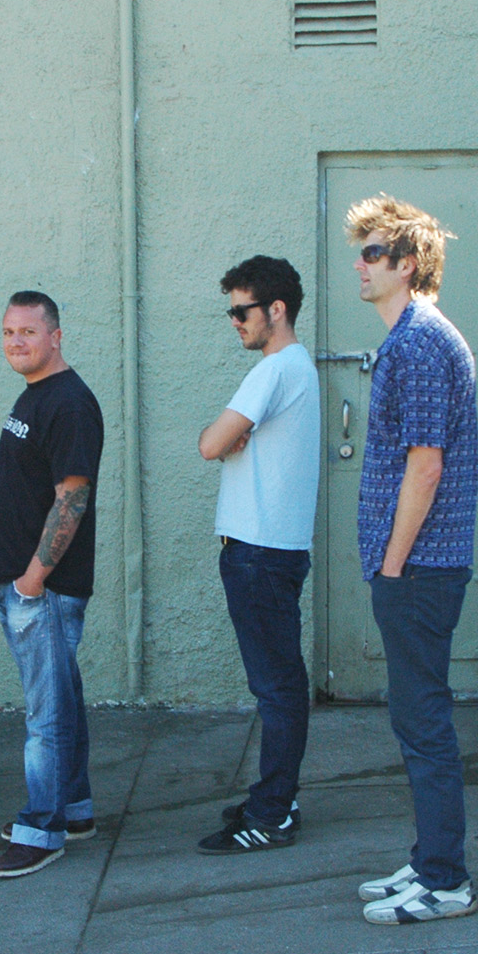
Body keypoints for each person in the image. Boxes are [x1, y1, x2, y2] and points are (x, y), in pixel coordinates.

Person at [345, 195, 478, 925]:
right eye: (360, 252)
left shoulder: (420, 343)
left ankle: (446, 880)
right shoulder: (410, 341)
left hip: (419, 569)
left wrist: (393, 565)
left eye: (372, 254)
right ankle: (430, 858)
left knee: (423, 721)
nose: (359, 268)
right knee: (415, 718)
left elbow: (424, 466)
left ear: (407, 264)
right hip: (414, 566)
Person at [0, 291, 104, 879]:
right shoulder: (36, 395)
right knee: (62, 701)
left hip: (41, 588)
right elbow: (44, 481)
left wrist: (31, 581)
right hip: (29, 584)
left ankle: (41, 829)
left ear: (56, 336)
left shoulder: (70, 402)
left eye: (27, 332)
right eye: (7, 333)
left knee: (44, 714)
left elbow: (73, 497)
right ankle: (72, 809)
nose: (16, 342)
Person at [194, 256, 320, 854]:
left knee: (277, 689)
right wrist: (231, 440)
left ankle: (273, 813)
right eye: (231, 312)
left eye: (241, 312)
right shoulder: (298, 369)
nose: (235, 322)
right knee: (279, 684)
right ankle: (277, 796)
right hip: (271, 551)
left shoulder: (273, 372)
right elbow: (224, 443)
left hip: (259, 554)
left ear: (276, 310)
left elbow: (208, 444)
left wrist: (227, 439)